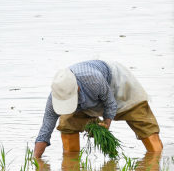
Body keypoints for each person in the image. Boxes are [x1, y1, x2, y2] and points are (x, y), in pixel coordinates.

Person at [33, 59, 163, 158]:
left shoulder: (93, 80)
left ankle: (157, 161)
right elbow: (45, 130)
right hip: (87, 99)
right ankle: (71, 165)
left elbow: (110, 104)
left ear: (77, 89)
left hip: (116, 84)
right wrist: (36, 160)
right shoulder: (55, 96)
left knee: (141, 119)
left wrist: (106, 123)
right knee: (67, 122)